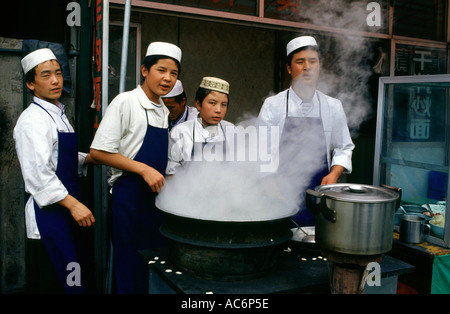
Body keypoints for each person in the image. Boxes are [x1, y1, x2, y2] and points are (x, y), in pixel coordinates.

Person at [89, 41, 181, 294]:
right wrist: (143, 169)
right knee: (130, 264)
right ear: (144, 70)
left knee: (156, 262)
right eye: (161, 70)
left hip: (156, 200)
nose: (167, 78)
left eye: (173, 74)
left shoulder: (163, 109)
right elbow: (98, 152)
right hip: (129, 197)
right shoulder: (126, 102)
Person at [14, 48, 95, 294]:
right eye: (46, 75)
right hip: (50, 215)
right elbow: (39, 174)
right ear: (30, 83)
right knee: (54, 281)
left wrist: (90, 158)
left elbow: (60, 156)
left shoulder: (57, 114)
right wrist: (73, 205)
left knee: (73, 276)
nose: (55, 81)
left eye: (58, 73)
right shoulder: (32, 121)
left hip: (68, 210)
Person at [258, 36, 354, 226]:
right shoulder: (273, 105)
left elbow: (344, 147)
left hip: (320, 192)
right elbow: (262, 151)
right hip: (280, 192)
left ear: (319, 67)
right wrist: (271, 187)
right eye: (300, 62)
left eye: (313, 61)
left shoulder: (333, 106)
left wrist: (334, 173)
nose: (307, 67)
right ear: (288, 68)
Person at [166, 76, 234, 175]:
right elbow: (172, 173)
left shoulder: (232, 130)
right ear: (198, 104)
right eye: (212, 103)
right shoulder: (180, 132)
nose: (218, 110)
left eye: (223, 104)